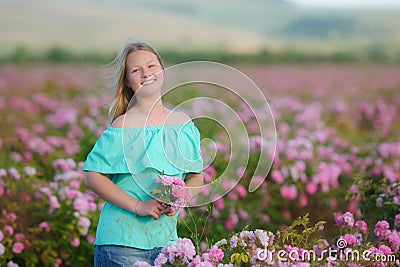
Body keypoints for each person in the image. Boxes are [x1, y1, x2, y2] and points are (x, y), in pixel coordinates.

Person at [82, 40, 204, 266]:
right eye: (136, 70)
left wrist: (180, 198)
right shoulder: (123, 127)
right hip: (120, 243)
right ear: (128, 82)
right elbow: (93, 176)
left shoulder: (183, 124)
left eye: (151, 66)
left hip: (167, 244)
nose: (146, 73)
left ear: (162, 70)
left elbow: (196, 176)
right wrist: (138, 206)